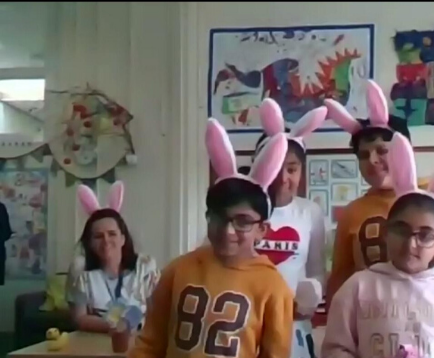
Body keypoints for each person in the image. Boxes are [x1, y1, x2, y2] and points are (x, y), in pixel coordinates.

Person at [129, 118, 294, 358]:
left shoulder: (273, 287)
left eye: (243, 222)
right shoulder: (177, 271)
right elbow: (150, 343)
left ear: (262, 230)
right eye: (219, 218)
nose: (228, 231)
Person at [324, 80, 434, 307]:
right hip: (375, 329)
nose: (372, 161)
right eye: (363, 155)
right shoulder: (353, 212)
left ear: (403, 152)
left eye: (382, 151)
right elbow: (340, 280)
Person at [321, 133, 434, 358]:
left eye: (382, 150)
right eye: (364, 155)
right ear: (386, 233)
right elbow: (337, 344)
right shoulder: (356, 288)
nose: (411, 244)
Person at [254, 98, 327, 358]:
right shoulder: (242, 211)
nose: (284, 178)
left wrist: (312, 296)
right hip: (248, 323)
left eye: (292, 169)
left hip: (294, 328)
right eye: (276, 168)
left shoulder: (310, 212)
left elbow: (317, 272)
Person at [66, 181, 160, 333]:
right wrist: (115, 327)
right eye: (98, 236)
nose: (106, 241)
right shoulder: (80, 270)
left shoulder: (145, 266)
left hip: (139, 341)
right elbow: (79, 318)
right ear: (89, 242)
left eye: (112, 234)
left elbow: (158, 312)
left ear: (123, 239)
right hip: (95, 342)